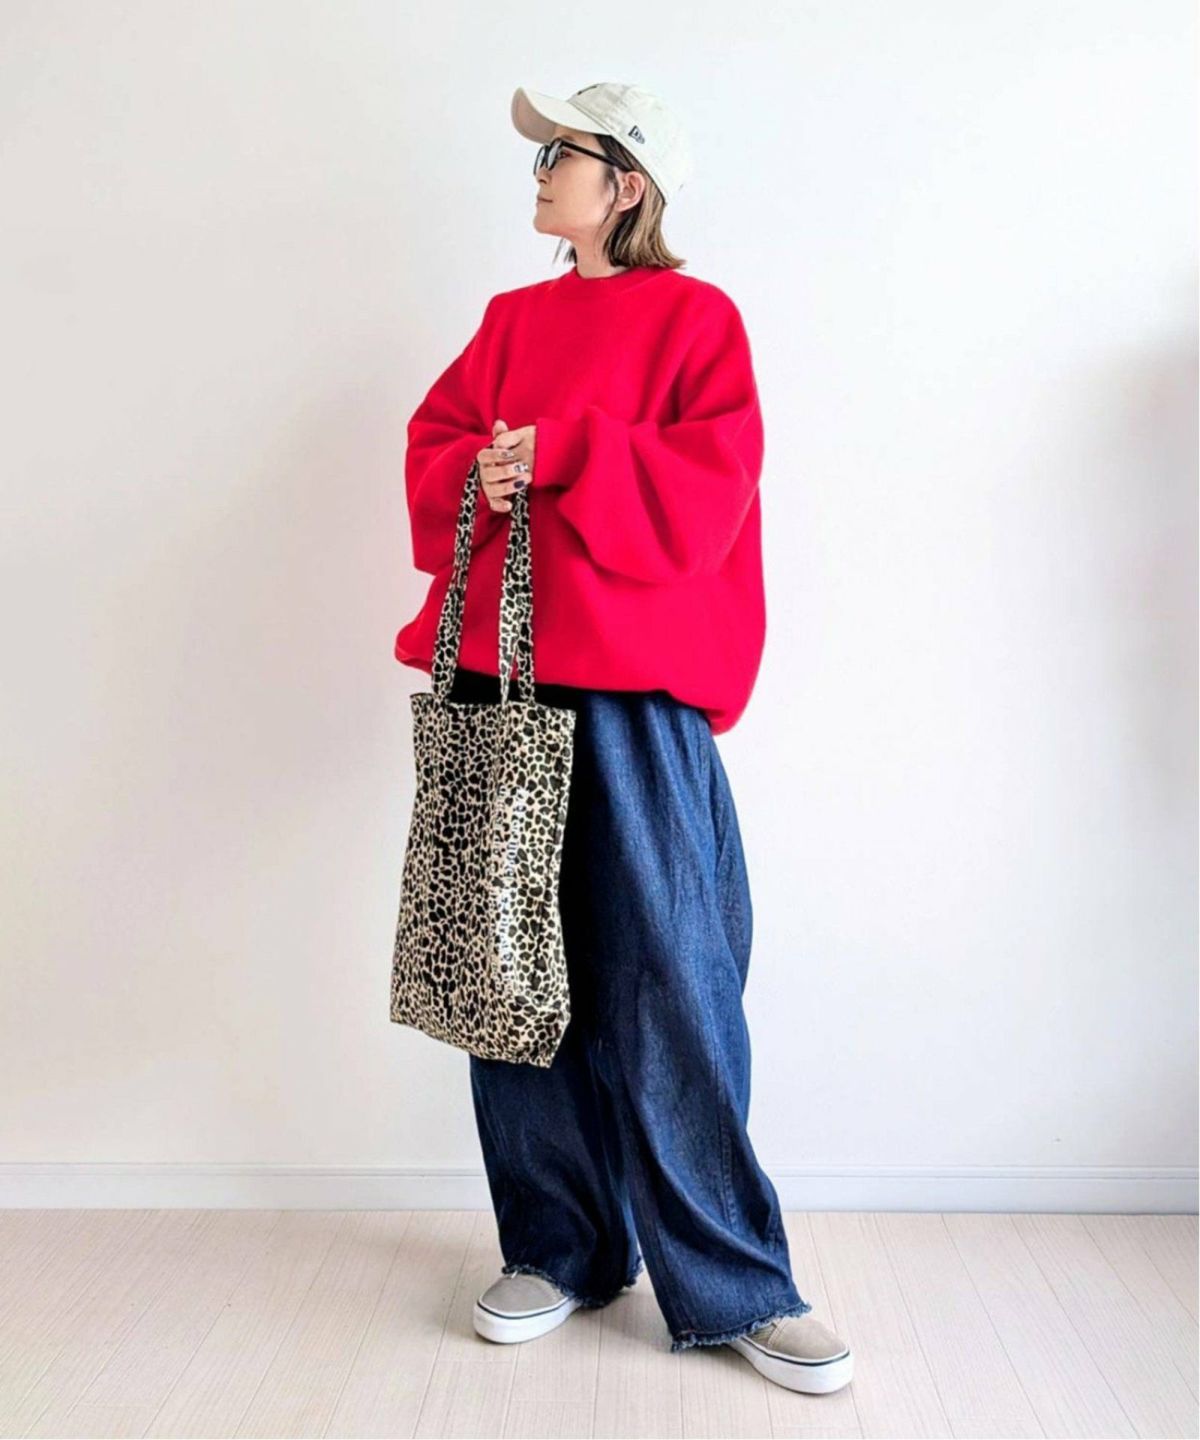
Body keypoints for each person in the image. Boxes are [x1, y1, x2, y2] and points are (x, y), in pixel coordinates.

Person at [394, 81, 854, 1396]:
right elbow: (438, 444)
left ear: (628, 184)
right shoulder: (511, 321)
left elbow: (711, 494)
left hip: (634, 698)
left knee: (673, 984)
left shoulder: (698, 321)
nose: (538, 170)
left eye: (564, 153)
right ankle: (558, 1248)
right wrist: (481, 470)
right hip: (503, 684)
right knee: (509, 973)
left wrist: (568, 452)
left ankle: (735, 1280)